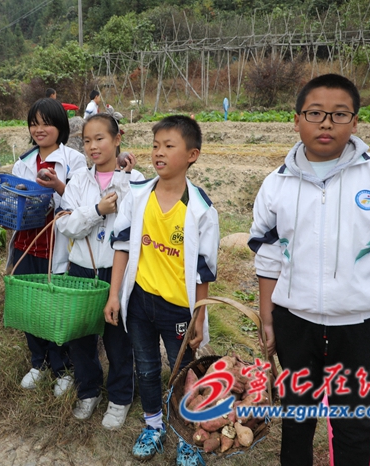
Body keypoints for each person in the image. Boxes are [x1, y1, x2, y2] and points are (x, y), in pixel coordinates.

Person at [248, 74, 370, 466]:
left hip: (361, 326)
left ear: (355, 121)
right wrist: (267, 317)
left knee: (354, 424)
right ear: (297, 120)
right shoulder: (276, 184)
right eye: (315, 113)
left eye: (339, 114)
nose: (326, 123)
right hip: (295, 323)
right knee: (297, 417)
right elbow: (268, 255)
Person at [105, 115, 220, 463]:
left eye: (169, 146)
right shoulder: (138, 195)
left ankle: (188, 435)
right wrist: (114, 295)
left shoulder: (200, 209)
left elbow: (204, 272)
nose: (159, 152)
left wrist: (199, 317)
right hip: (141, 301)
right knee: (146, 366)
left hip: (179, 308)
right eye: (155, 145)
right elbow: (122, 246)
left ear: (192, 155)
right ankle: (153, 425)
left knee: (184, 372)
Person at [56, 114, 143, 429]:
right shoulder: (79, 180)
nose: (93, 146)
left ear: (117, 139)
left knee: (119, 339)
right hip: (81, 269)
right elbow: (65, 224)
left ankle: (120, 398)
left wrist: (123, 178)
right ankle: (88, 390)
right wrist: (96, 210)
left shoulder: (135, 179)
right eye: (87, 141)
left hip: (118, 272)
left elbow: (135, 224)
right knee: (81, 336)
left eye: (100, 139)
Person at [11, 97, 87, 396]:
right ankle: (38, 362)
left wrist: (57, 186)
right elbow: (15, 201)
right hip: (26, 243)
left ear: (60, 127)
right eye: (34, 123)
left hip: (57, 244)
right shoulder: (23, 162)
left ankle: (63, 367)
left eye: (46, 124)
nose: (39, 129)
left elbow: (80, 205)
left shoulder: (74, 160)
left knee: (56, 307)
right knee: (30, 305)